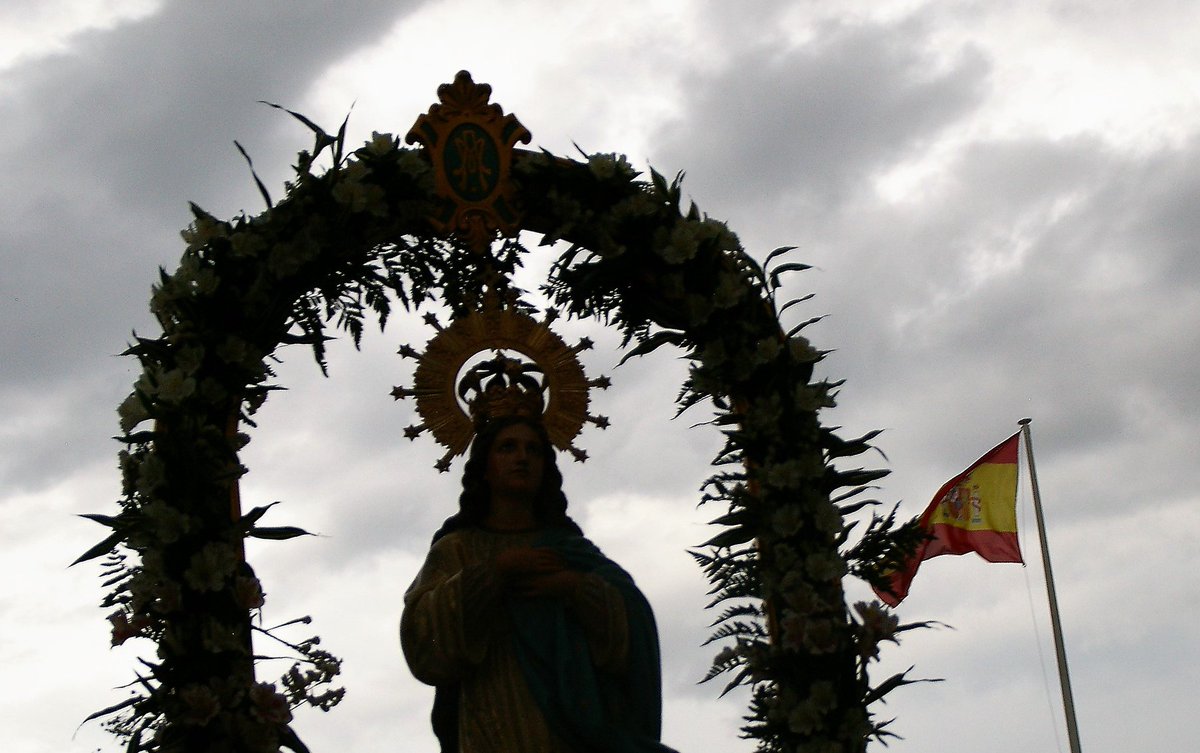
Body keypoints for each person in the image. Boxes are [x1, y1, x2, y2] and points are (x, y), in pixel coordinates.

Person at [401, 415, 677, 753]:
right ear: (484, 467)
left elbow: (633, 619)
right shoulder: (458, 549)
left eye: (533, 450)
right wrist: (493, 573)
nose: (522, 458)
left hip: (567, 728)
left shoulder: (571, 551)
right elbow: (421, 635)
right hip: (490, 717)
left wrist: (577, 588)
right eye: (508, 448)